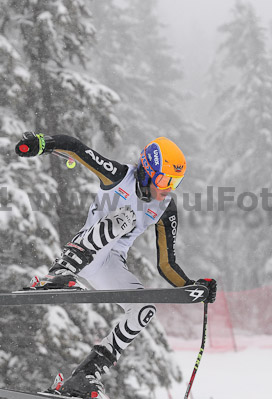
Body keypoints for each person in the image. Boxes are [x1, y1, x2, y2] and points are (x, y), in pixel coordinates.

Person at [15, 132, 217, 399]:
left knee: (143, 309)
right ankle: (60, 272)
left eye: (176, 182)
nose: (169, 187)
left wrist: (191, 287)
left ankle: (85, 375)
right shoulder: (120, 177)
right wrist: (43, 143)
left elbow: (167, 263)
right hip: (86, 250)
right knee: (125, 218)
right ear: (148, 171)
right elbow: (77, 149)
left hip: (109, 264)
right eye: (166, 179)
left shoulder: (165, 207)